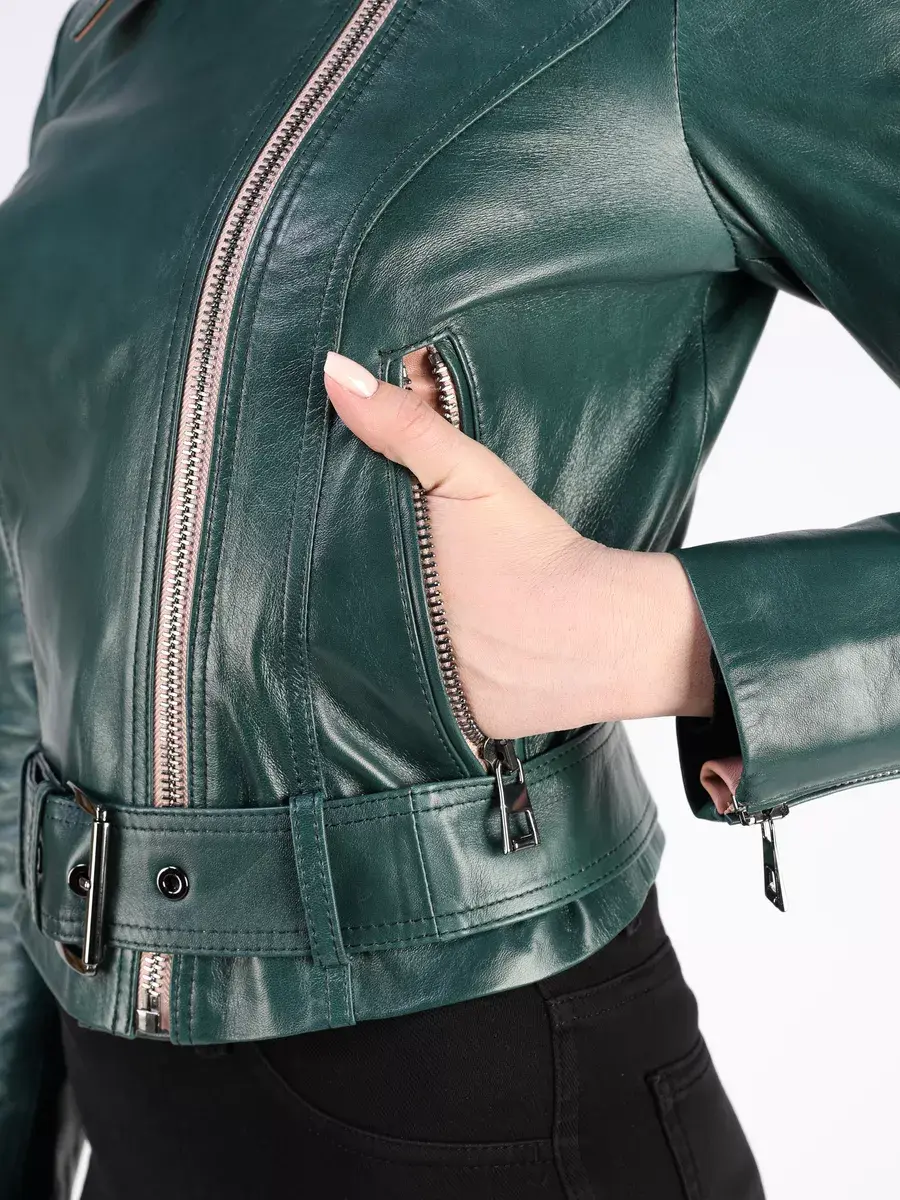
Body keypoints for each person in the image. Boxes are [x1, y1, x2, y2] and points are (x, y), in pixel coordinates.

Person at [1, 0, 897, 1196]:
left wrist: (653, 633)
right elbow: (31, 616)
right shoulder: (117, 29)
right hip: (123, 1091)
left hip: (481, 1084)